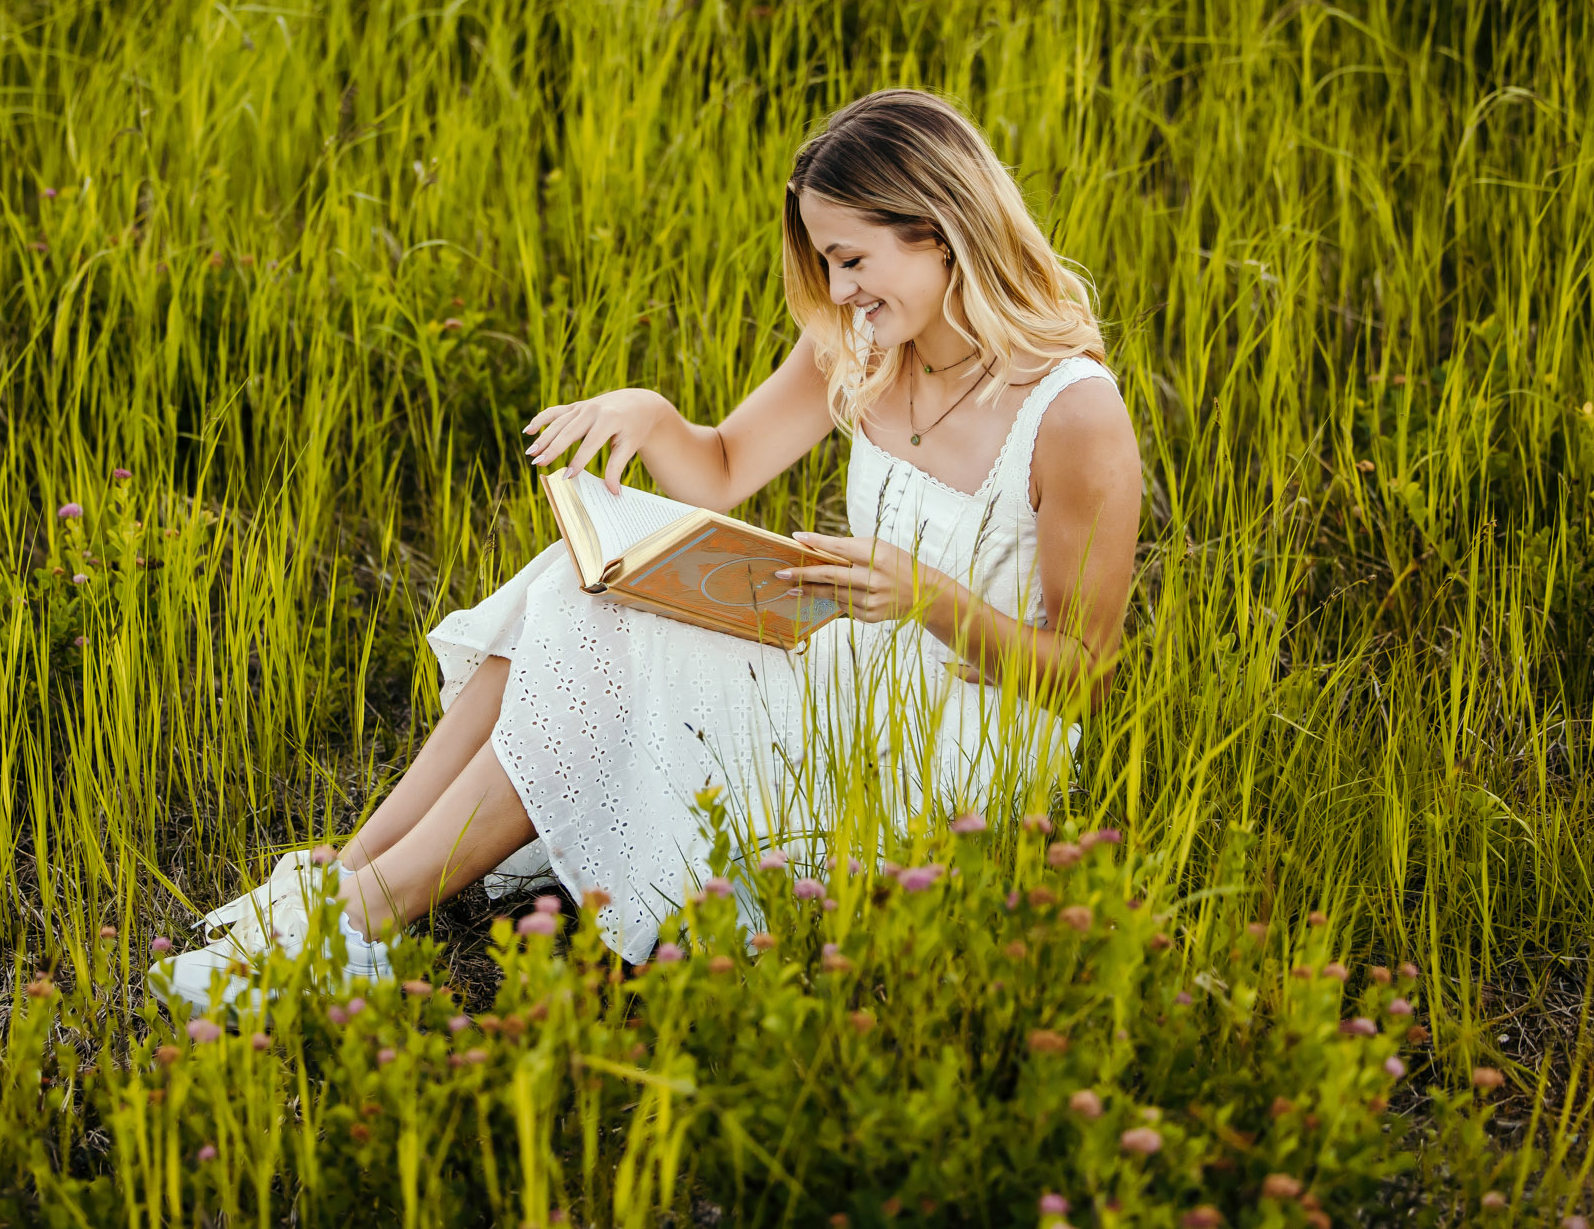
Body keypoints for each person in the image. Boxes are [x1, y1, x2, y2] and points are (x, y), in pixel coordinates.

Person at [152, 89, 1142, 1005]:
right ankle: (344, 880)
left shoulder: (1071, 413)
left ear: (938, 230)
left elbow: (1086, 675)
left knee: (631, 644)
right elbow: (717, 469)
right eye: (825, 260)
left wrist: (931, 598)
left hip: (956, 736)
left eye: (852, 256)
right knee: (574, 586)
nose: (838, 288)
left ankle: (347, 927)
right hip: (847, 655)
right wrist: (653, 414)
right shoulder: (863, 341)